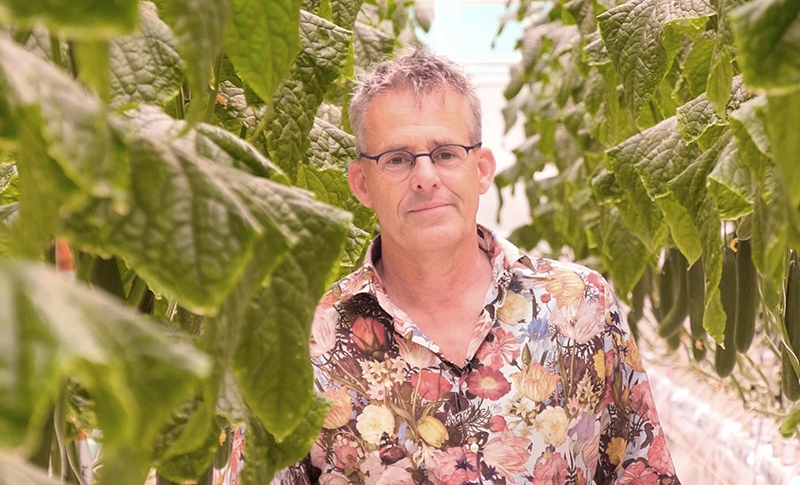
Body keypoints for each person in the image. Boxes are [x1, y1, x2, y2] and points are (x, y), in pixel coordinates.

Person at [271, 48, 681, 484]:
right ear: (361, 184)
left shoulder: (580, 307)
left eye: (446, 154)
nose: (425, 177)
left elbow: (641, 469)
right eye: (396, 159)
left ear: (481, 169)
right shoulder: (306, 345)